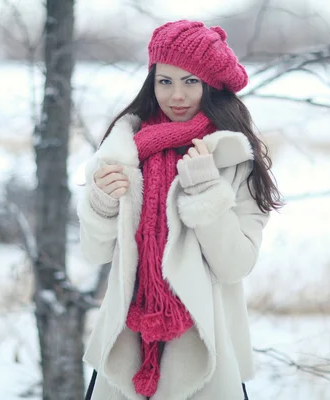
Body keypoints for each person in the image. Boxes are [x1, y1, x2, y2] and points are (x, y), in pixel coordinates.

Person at [77, 20, 282, 400]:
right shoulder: (121, 154)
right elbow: (94, 252)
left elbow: (235, 265)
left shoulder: (233, 159)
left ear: (211, 86)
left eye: (190, 81)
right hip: (128, 348)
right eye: (165, 80)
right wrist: (102, 203)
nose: (176, 95)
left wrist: (204, 188)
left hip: (206, 350)